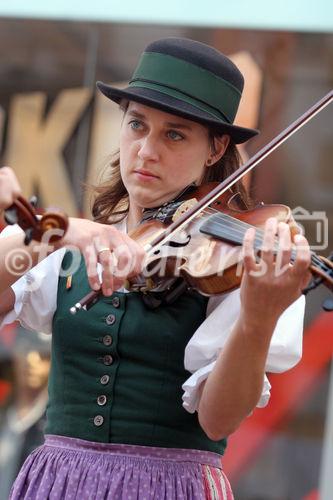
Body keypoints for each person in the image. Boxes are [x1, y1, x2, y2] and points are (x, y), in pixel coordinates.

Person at [0, 38, 311, 499]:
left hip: (171, 486)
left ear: (215, 148)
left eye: (175, 134)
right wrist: (57, 232)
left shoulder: (234, 260)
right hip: (61, 483)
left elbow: (218, 418)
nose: (146, 150)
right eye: (137, 125)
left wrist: (257, 318)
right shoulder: (73, 243)